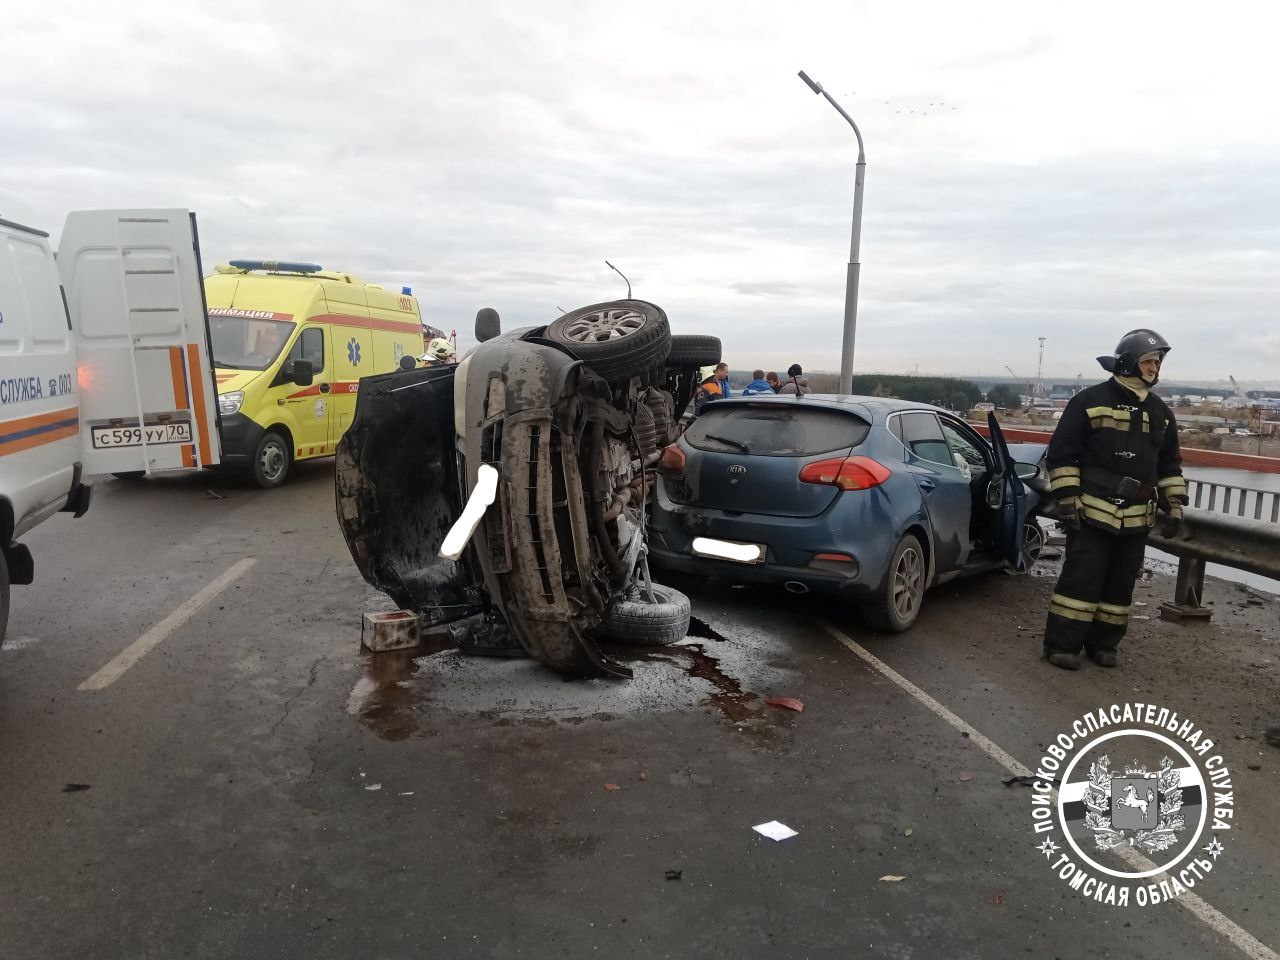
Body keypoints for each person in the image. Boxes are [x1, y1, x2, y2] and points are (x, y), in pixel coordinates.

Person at [1042, 329, 1188, 670]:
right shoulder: (1089, 401)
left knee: (1120, 586)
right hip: (1092, 511)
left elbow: (1170, 463)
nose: (1154, 368)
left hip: (1137, 517)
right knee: (1082, 580)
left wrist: (1175, 503)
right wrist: (1066, 497)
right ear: (1128, 363)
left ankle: (1103, 645)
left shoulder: (1161, 412)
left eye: (1157, 362)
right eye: (1148, 361)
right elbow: (1063, 454)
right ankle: (1061, 645)